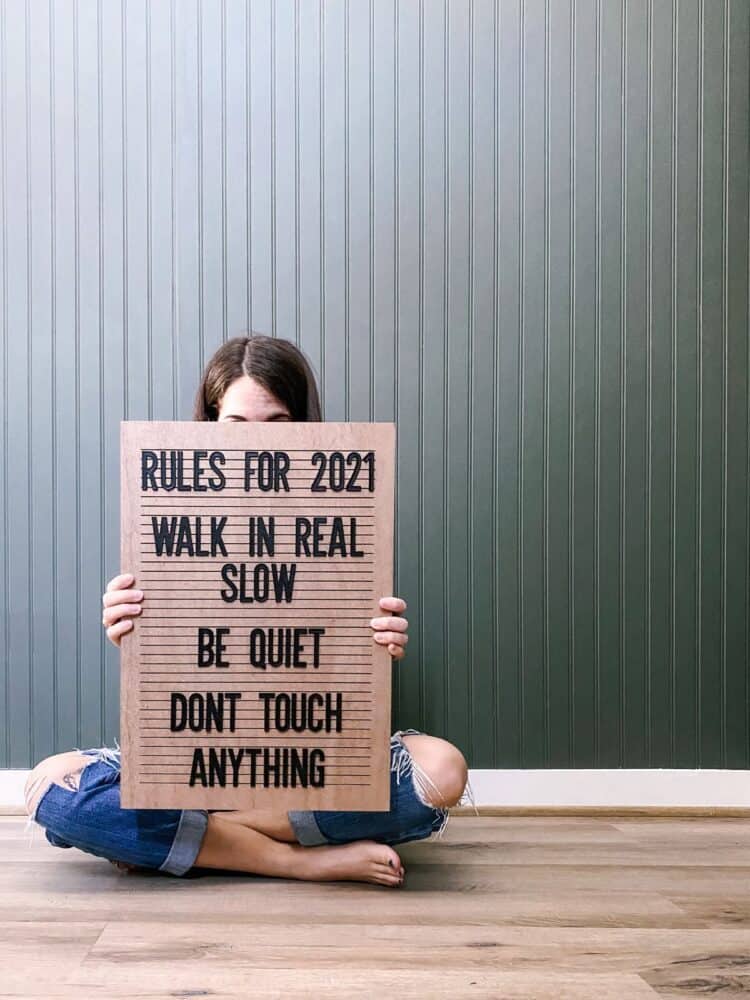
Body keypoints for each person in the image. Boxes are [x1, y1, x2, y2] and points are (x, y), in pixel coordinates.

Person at [24, 334, 473, 887]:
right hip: (196, 759)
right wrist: (132, 631)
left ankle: (193, 840)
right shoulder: (165, 520)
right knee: (49, 785)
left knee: (441, 769)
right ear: (210, 425)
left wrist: (377, 640)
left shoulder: (344, 518)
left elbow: (348, 673)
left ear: (304, 427)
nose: (258, 440)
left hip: (308, 756)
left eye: (278, 423)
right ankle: (292, 859)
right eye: (237, 424)